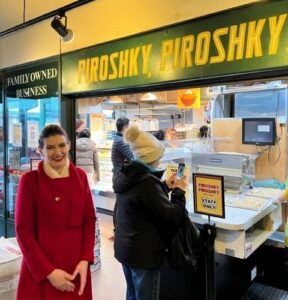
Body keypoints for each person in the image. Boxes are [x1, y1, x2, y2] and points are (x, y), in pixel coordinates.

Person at [15, 124, 96, 300]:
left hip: (76, 266)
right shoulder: (29, 181)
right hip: (41, 268)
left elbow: (89, 220)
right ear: (40, 151)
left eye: (61, 145)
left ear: (69, 146)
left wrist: (85, 259)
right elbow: (23, 231)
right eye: (50, 147)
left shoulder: (80, 177)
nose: (57, 152)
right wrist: (48, 272)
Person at [113, 125, 187, 300]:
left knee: (132, 295)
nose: (159, 162)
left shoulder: (127, 174)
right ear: (151, 158)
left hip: (126, 249)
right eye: (158, 158)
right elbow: (172, 217)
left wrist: (164, 186)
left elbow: (140, 201)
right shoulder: (147, 183)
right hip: (144, 256)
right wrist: (178, 191)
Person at [111, 117, 134, 238]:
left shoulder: (118, 139)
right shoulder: (121, 141)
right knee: (120, 204)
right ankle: (117, 231)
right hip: (121, 176)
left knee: (119, 203)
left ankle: (117, 230)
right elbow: (132, 158)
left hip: (118, 175)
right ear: (125, 127)